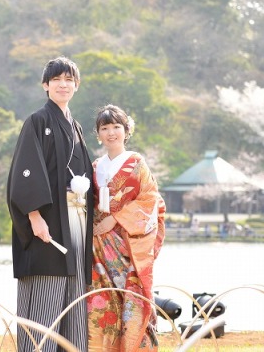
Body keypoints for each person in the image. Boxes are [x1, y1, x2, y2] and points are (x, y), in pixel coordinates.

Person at [6, 56, 95, 352]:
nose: (63, 84)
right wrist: (34, 215)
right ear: (45, 85)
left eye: (69, 80)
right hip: (49, 222)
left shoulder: (76, 126)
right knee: (48, 291)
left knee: (74, 294)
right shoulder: (38, 121)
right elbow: (25, 171)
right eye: (56, 79)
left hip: (76, 221)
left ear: (76, 86)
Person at [86, 105, 166, 351]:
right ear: (98, 134)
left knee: (131, 297)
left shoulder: (136, 163)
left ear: (126, 130)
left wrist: (117, 219)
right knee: (101, 299)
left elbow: (151, 200)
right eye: (105, 128)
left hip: (126, 242)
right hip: (98, 243)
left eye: (116, 127)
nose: (111, 133)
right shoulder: (94, 166)